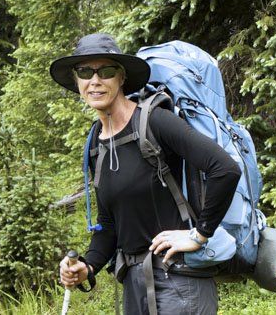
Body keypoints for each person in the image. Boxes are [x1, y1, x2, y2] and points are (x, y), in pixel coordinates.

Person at [52, 33, 241, 315]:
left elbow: (225, 169)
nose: (95, 80)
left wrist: (199, 235)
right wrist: (87, 267)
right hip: (135, 285)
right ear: (77, 81)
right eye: (85, 72)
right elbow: (109, 224)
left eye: (106, 71)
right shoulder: (95, 145)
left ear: (121, 77)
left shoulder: (155, 121)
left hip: (180, 282)